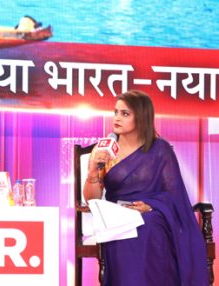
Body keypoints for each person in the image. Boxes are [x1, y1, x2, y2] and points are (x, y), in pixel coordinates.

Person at [83, 90, 208, 285]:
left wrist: (150, 205)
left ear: (141, 117)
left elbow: (173, 193)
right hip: (115, 214)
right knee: (128, 226)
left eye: (125, 114)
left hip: (151, 212)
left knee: (149, 224)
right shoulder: (102, 151)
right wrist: (92, 171)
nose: (117, 118)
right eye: (116, 112)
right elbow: (91, 199)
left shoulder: (160, 149)